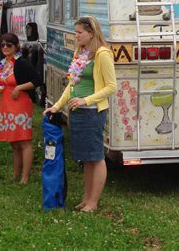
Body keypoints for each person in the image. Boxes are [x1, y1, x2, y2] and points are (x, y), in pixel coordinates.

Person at [44, 16, 117, 212]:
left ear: (91, 33)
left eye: (79, 32)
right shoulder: (80, 52)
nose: (75, 36)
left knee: (96, 156)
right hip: (77, 111)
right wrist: (58, 106)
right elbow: (72, 84)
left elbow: (111, 86)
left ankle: (93, 202)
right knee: (86, 158)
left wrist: (86, 100)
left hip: (92, 112)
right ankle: (86, 199)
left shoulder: (102, 54)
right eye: (75, 32)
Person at [0, 33, 40, 184]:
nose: (5, 47)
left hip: (20, 105)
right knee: (13, 142)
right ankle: (15, 174)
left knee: (24, 141)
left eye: (9, 45)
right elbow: (0, 81)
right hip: (6, 104)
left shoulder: (21, 63)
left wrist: (19, 87)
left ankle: (25, 178)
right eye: (3, 45)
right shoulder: (3, 63)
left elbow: (38, 80)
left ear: (17, 46)